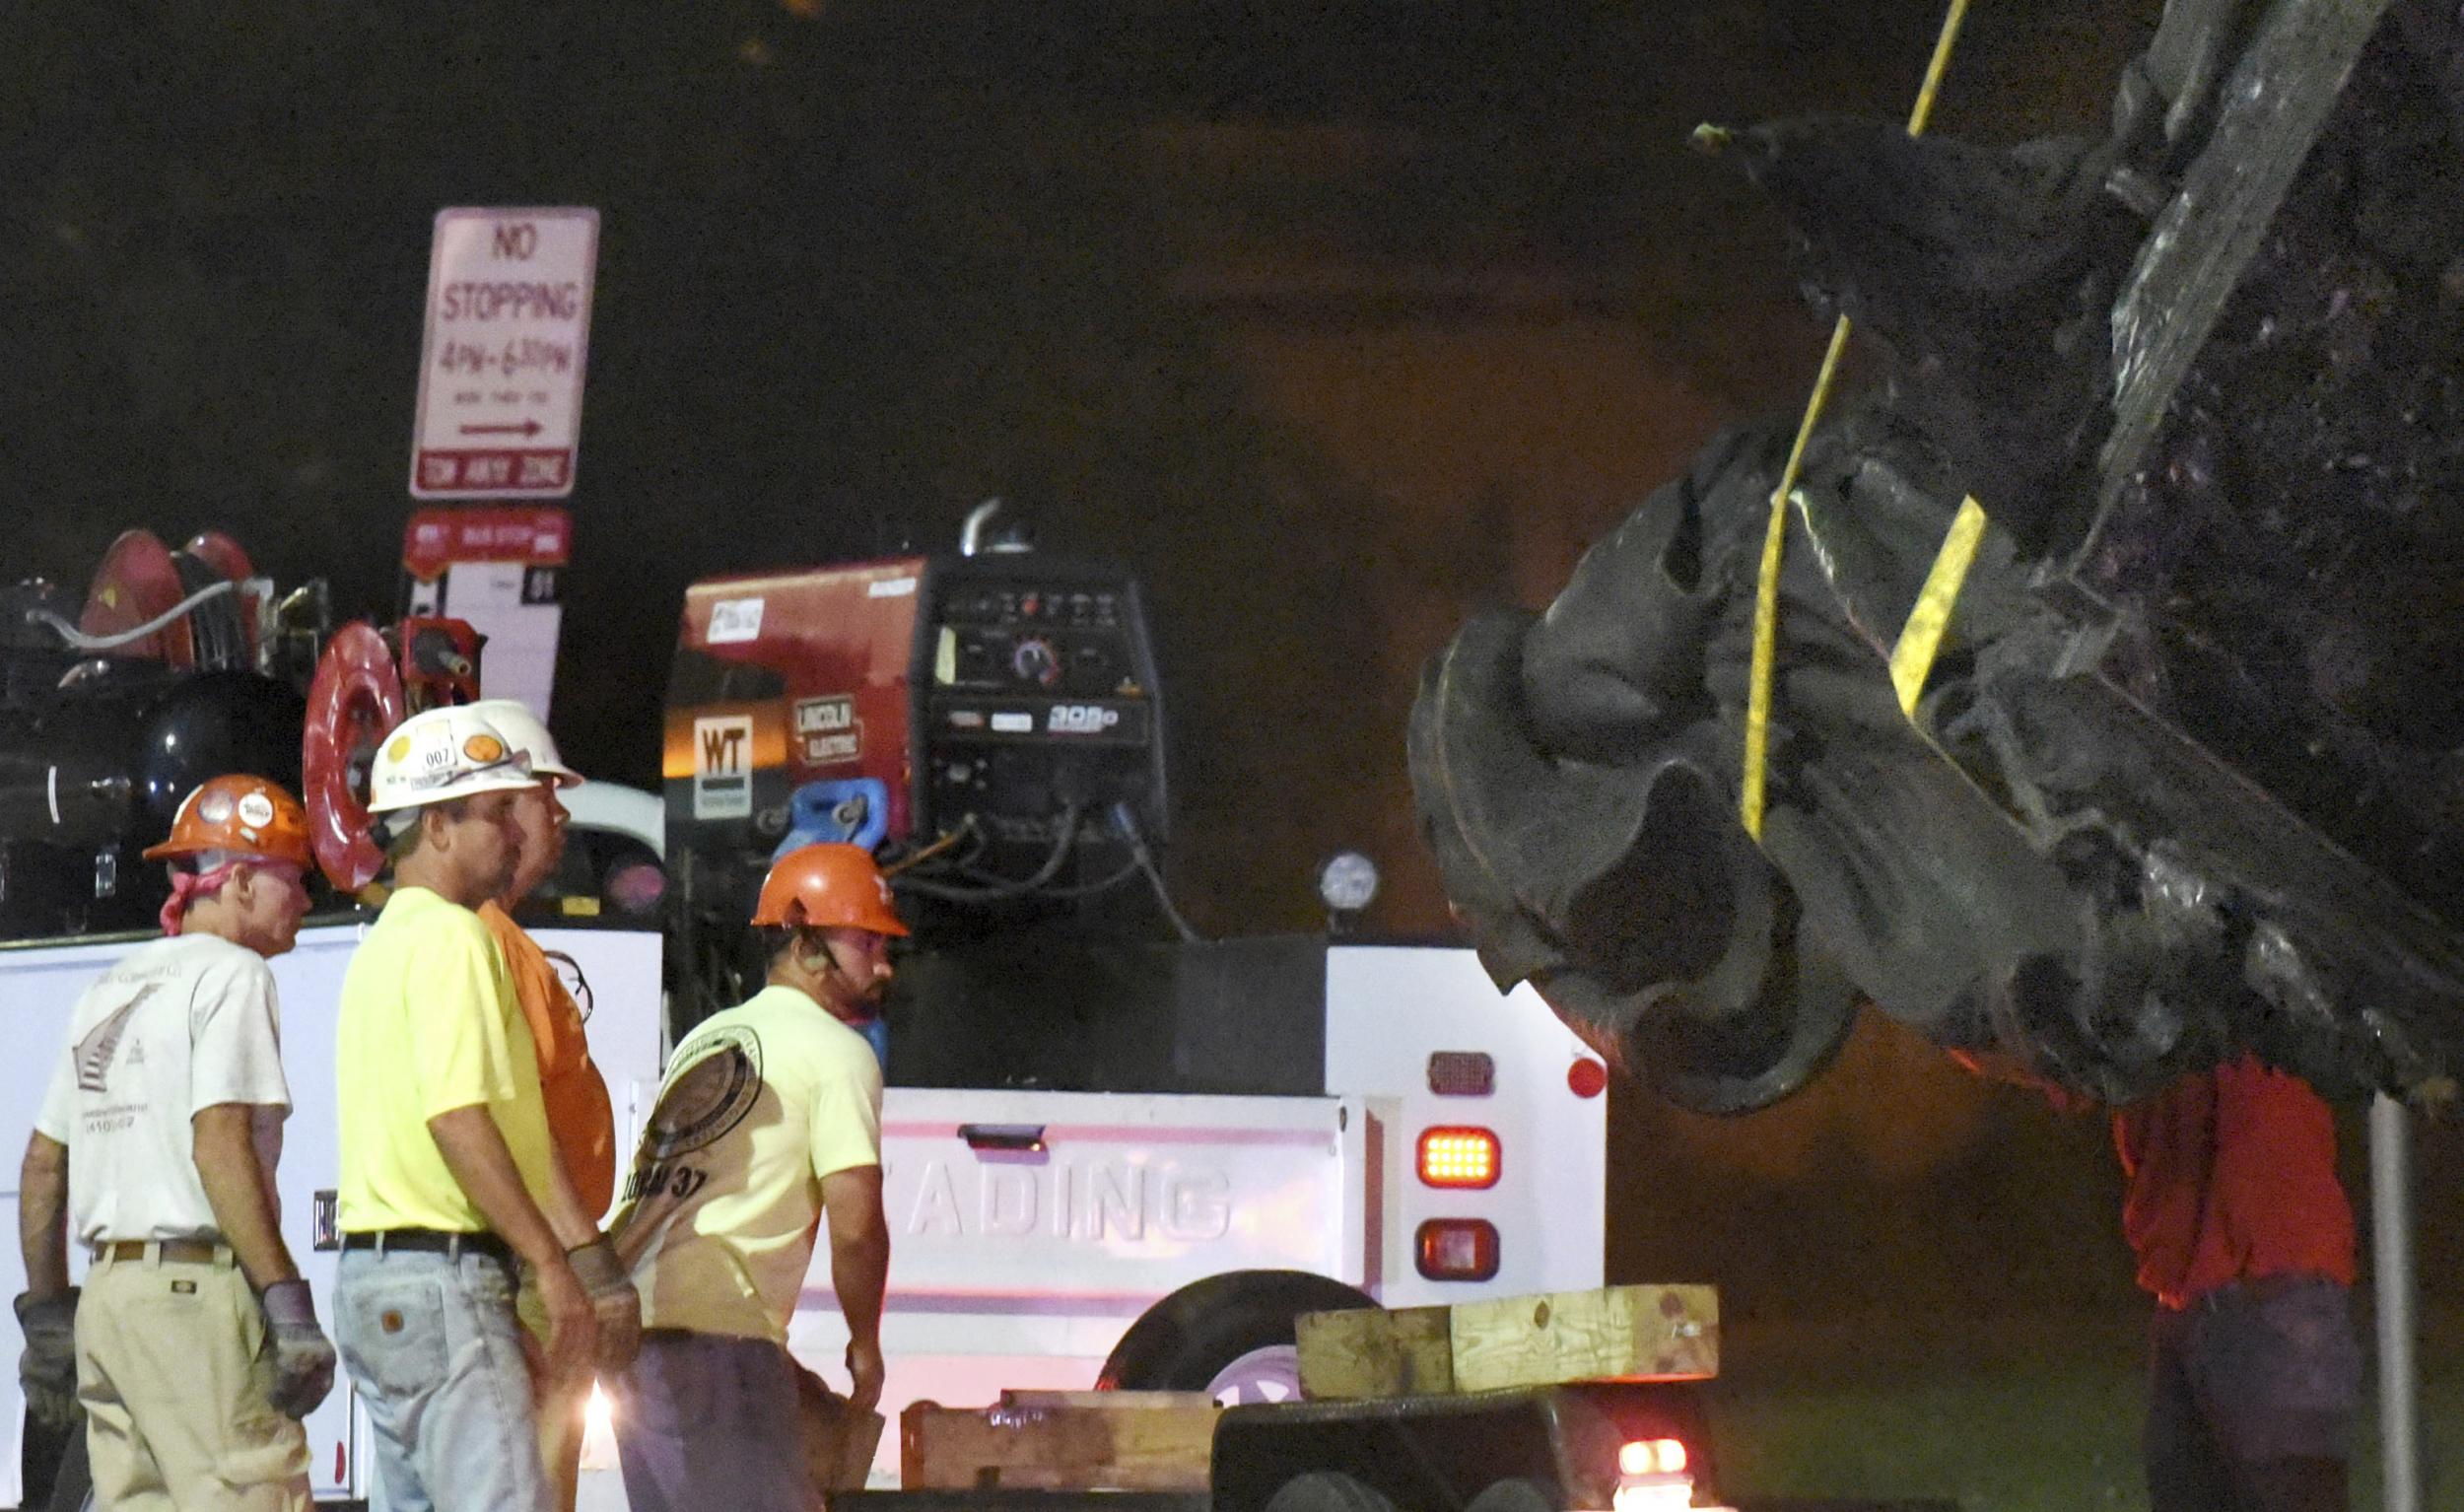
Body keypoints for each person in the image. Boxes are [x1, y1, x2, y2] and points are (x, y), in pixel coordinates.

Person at [329, 705, 637, 1512]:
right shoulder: (456, 940)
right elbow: (459, 1118)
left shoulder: (386, 941)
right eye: (498, 813)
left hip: (377, 1281)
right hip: (446, 1279)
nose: (518, 830)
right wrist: (551, 1262)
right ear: (437, 825)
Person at [14, 775, 335, 1512]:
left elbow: (41, 1167)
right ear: (242, 884)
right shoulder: (235, 976)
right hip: (195, 1301)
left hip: (109, 1303)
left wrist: (50, 1316)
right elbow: (218, 1142)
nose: (308, 902)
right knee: (253, 1494)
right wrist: (285, 1300)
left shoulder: (109, 990)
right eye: (295, 879)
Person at [609, 843, 897, 1512]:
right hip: (718, 1342)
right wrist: (865, 1343)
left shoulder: (707, 1037)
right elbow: (856, 1226)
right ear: (805, 944)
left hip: (636, 1334)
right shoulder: (839, 1055)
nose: (884, 966)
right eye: (866, 943)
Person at [467, 698, 628, 1512]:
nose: (561, 815)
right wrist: (577, 1259)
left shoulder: (500, 938)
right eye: (544, 795)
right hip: (531, 1265)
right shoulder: (489, 941)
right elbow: (517, 1121)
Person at [2119, 1054, 2360, 1512]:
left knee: (2289, 1485)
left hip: (2274, 1277)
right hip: (2187, 1290)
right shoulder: (2136, 1004)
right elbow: (2055, 1059)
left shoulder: (2250, 999)